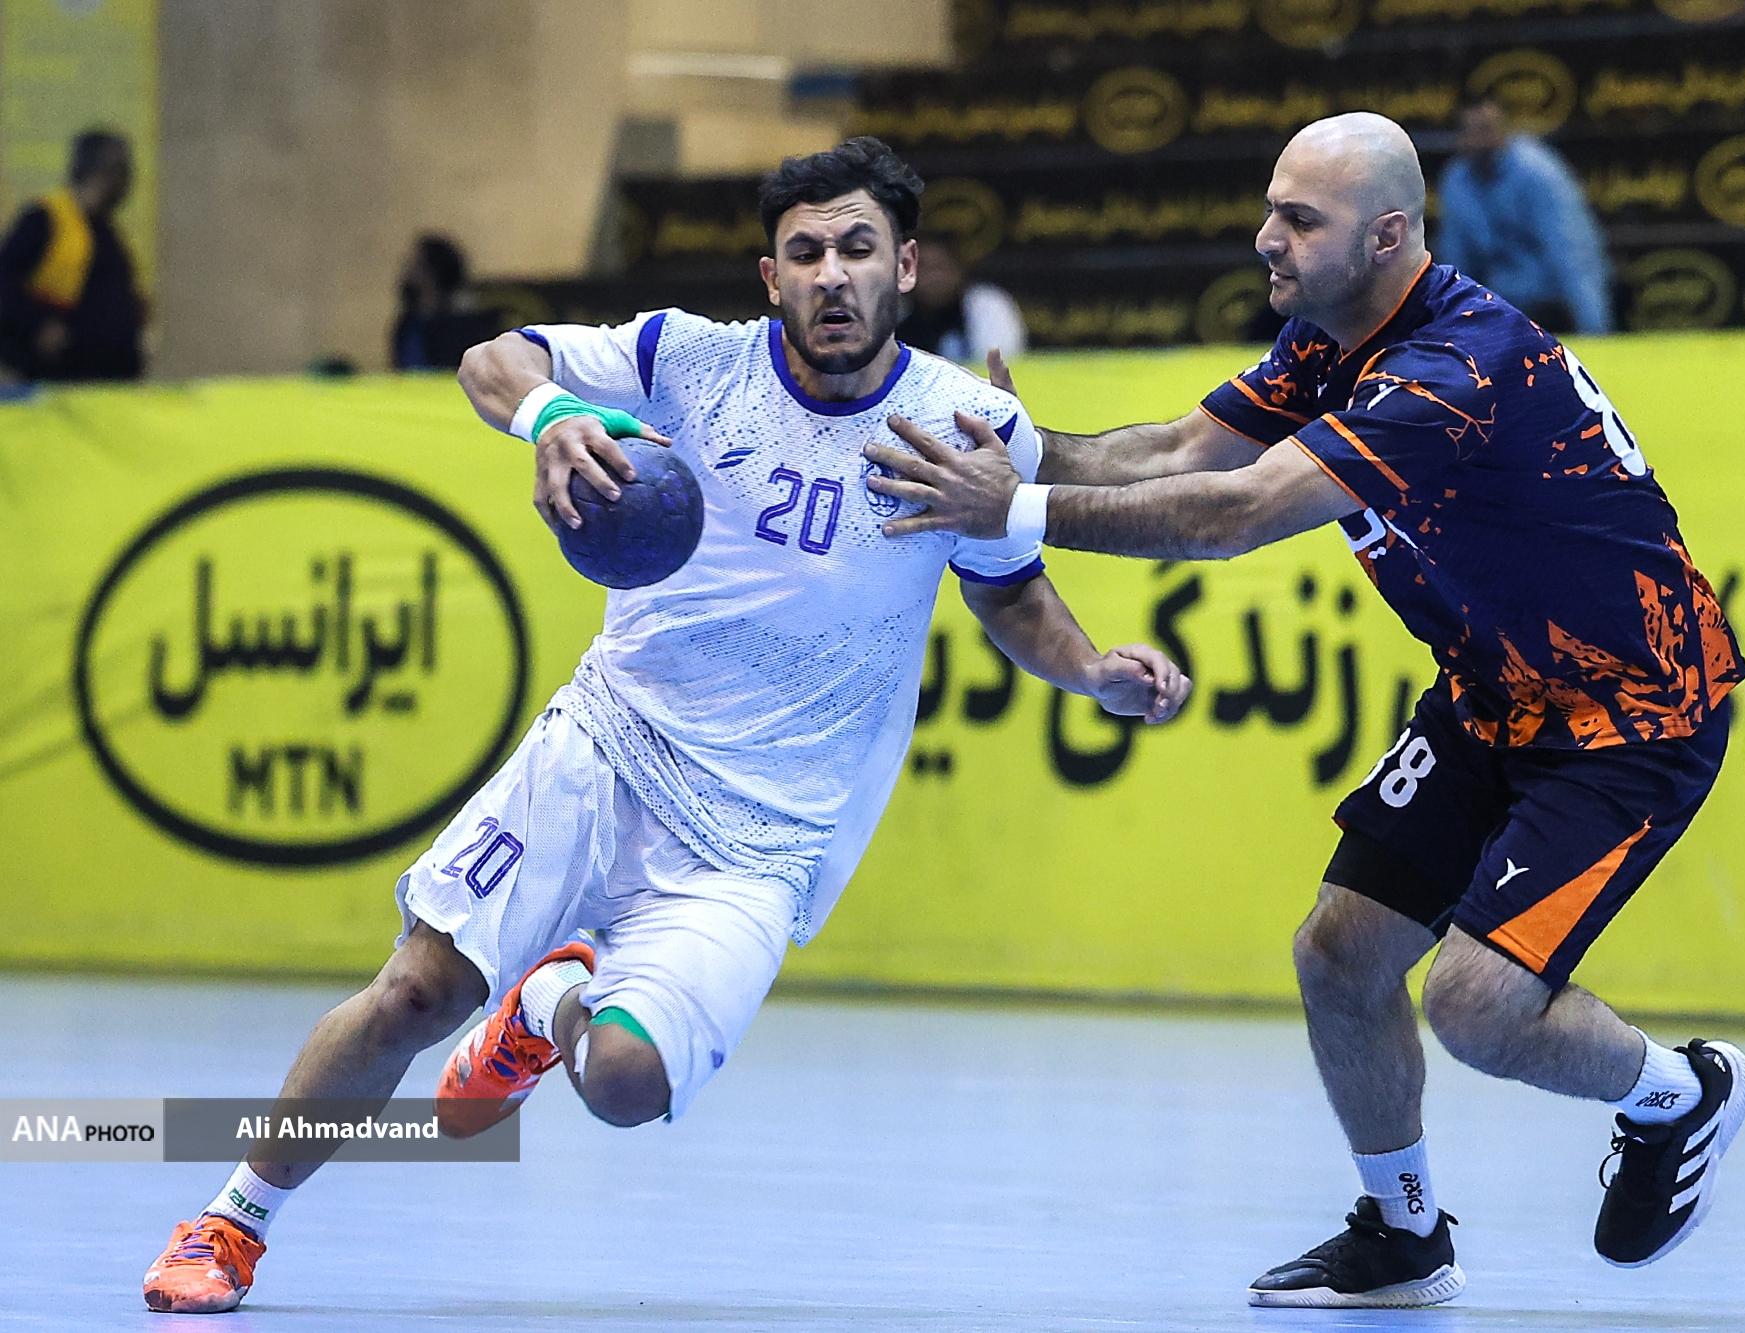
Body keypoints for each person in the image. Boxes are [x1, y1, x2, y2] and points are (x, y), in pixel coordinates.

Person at [139, 135, 1191, 1315]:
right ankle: (230, 1220)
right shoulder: (686, 358)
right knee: (417, 991)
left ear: (904, 266)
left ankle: (549, 1007)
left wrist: (1092, 671)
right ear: (770, 277)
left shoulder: (963, 425)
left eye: (856, 248)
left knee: (625, 1084)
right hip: (608, 746)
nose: (831, 274)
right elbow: (493, 359)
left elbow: (1007, 592)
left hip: (766, 838)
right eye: (804, 254)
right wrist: (549, 416)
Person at [866, 113, 1745, 1309]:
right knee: (1337, 956)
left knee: (1474, 1007)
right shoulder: (1331, 336)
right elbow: (1183, 447)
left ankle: (1679, 1095)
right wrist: (1027, 452)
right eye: (1268, 207)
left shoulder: (1451, 371)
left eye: (1297, 218)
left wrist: (1012, 511)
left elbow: (1228, 513)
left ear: (1385, 236)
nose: (1263, 237)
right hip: (1490, 695)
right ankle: (1403, 1235)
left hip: (1628, 717)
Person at [1438, 98, 1613, 336]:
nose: (1481, 139)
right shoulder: (1457, 181)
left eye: (1487, 129)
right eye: (1472, 131)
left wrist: (1594, 330)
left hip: (1552, 306)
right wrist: (1450, 329)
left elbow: (1572, 253)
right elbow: (1457, 260)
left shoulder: (1537, 172)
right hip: (1497, 307)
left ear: (1505, 129)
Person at [0, 129, 145, 382]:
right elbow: (4, 281)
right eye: (119, 170)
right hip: (48, 379)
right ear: (99, 172)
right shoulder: (45, 219)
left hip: (103, 380)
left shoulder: (106, 233)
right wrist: (37, 323)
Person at [897, 233, 1027, 363]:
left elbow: (1002, 362)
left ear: (958, 269)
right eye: (923, 268)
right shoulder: (896, 310)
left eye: (940, 267)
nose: (933, 276)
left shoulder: (987, 304)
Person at [390, 232, 501, 370]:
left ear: (432, 269)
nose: (408, 269)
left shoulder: (461, 323)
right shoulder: (408, 323)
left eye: (416, 264)